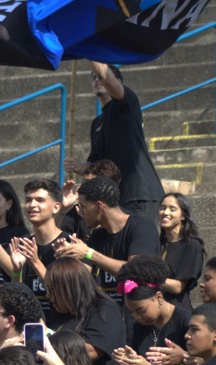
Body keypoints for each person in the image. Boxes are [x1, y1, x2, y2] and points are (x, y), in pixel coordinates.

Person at [64, 62, 164, 225]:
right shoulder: (97, 123)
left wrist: (93, 55)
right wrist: (76, 167)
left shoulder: (127, 106)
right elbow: (95, 166)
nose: (97, 80)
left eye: (99, 76)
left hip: (140, 195)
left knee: (142, 240)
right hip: (116, 200)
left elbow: (108, 79)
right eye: (93, 78)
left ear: (118, 82)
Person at [54, 176, 160, 306]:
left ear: (99, 206)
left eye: (83, 207)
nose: (80, 212)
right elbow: (83, 276)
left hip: (137, 314)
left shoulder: (142, 227)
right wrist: (68, 257)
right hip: (108, 313)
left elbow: (137, 271)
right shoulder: (98, 235)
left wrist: (89, 253)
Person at [10, 179, 71, 325]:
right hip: (32, 329)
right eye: (28, 200)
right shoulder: (24, 245)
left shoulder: (69, 244)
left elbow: (66, 297)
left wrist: (36, 262)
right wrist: (17, 271)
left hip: (63, 328)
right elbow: (17, 298)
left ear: (56, 207)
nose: (32, 205)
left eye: (40, 200)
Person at [159, 193, 205, 310]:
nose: (165, 212)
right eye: (163, 208)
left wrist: (146, 278)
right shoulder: (158, 244)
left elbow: (178, 287)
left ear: (183, 216)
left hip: (176, 311)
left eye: (172, 209)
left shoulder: (192, 245)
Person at [61, 159, 122, 242]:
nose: (81, 188)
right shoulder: (76, 214)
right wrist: (62, 210)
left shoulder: (128, 224)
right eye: (83, 183)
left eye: (88, 184)